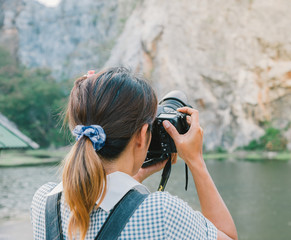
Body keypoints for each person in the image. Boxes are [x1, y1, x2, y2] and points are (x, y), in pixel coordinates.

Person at [31, 67, 238, 240]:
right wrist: (195, 160)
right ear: (141, 136)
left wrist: (132, 177)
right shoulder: (161, 213)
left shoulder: (44, 202)